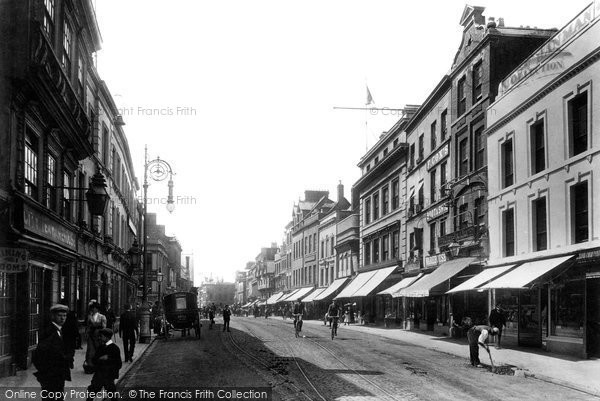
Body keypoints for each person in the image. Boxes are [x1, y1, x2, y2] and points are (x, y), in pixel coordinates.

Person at [33, 304, 73, 401]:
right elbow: (39, 354)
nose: (63, 318)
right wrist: (44, 371)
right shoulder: (49, 331)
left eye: (64, 316)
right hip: (50, 374)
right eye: (60, 315)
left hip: (58, 373)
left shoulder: (59, 330)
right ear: (53, 316)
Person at [85, 328, 122, 401]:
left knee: (112, 394)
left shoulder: (114, 348)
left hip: (109, 376)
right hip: (99, 375)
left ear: (106, 337)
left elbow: (119, 364)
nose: (99, 338)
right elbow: (94, 360)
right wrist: (100, 359)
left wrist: (108, 359)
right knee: (92, 392)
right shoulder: (100, 347)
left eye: (101, 336)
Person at [85, 302, 107, 373]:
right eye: (92, 308)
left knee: (99, 351)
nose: (93, 309)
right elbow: (88, 326)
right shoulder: (89, 316)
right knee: (90, 351)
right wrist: (87, 333)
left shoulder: (102, 316)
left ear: (97, 309)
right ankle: (90, 367)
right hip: (91, 336)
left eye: (94, 308)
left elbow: (104, 327)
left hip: (98, 336)